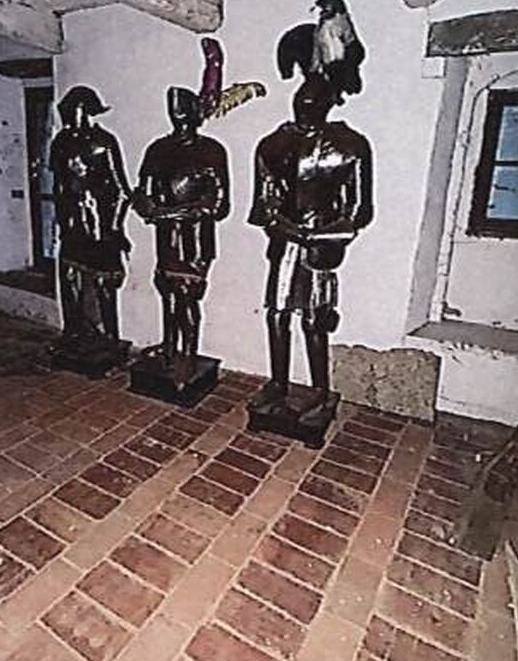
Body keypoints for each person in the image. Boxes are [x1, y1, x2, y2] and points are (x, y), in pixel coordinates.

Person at [248, 74, 373, 421]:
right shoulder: (273, 145)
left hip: (322, 244)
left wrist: (320, 236)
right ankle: (278, 381)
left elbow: (359, 210)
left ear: (329, 103)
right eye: (301, 99)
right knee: (276, 313)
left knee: (315, 319)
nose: (305, 105)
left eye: (314, 100)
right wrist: (285, 228)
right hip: (285, 240)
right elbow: (264, 206)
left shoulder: (350, 145)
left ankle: (320, 388)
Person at [132, 86, 230, 371]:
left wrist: (165, 212)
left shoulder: (211, 150)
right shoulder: (158, 149)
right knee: (166, 289)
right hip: (167, 235)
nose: (178, 115)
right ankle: (169, 346)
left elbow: (219, 206)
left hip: (195, 237)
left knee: (186, 294)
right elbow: (142, 192)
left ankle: (187, 353)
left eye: (184, 108)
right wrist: (144, 204)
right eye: (174, 109)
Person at [49, 85, 131, 353]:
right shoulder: (60, 142)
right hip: (71, 223)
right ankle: (73, 331)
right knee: (69, 279)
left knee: (103, 282)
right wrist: (61, 219)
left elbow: (122, 191)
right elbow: (60, 185)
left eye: (71, 109)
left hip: (99, 223)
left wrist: (114, 227)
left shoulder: (103, 142)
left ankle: (109, 336)